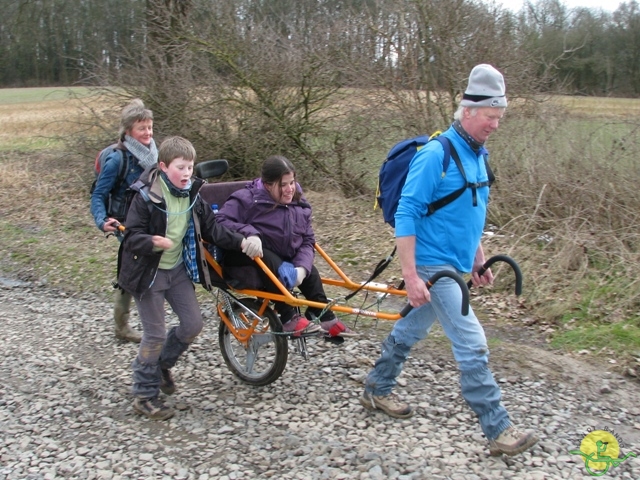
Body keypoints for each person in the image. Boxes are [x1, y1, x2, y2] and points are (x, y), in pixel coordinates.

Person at [360, 64, 539, 457]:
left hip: (454, 265)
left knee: (410, 330)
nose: (495, 124)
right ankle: (498, 428)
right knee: (472, 342)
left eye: (499, 117)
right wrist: (410, 275)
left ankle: (376, 388)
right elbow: (407, 213)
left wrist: (477, 259)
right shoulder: (436, 154)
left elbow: (470, 210)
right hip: (431, 265)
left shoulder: (478, 154)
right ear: (469, 111)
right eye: (491, 117)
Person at [117, 136, 260, 420]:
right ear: (163, 166)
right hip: (148, 273)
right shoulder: (145, 196)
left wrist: (243, 242)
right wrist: (152, 241)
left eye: (190, 167)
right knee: (155, 333)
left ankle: (160, 367)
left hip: (178, 270)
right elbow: (131, 237)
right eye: (180, 167)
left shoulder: (193, 194)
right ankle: (144, 395)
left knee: (193, 324)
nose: (186, 174)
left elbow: (213, 231)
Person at [216, 155, 357, 338]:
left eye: (292, 182)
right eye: (283, 185)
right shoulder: (247, 199)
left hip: (283, 255)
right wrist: (249, 233)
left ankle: (323, 314)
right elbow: (219, 221)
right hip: (245, 254)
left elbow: (307, 240)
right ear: (267, 185)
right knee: (273, 263)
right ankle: (288, 317)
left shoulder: (299, 203)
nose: (289, 189)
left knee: (310, 270)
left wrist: (301, 269)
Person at [90, 98, 158, 343]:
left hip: (150, 214)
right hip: (124, 220)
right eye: (142, 128)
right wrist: (101, 221)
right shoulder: (117, 159)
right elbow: (98, 194)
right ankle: (123, 326)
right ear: (128, 131)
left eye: (150, 127)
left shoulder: (153, 151)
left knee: (147, 260)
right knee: (136, 262)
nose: (148, 133)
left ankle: (146, 318)